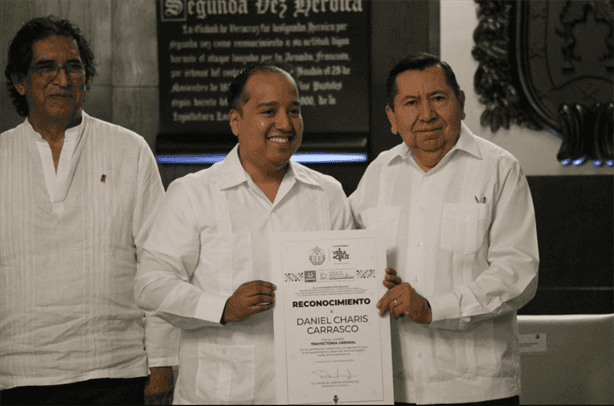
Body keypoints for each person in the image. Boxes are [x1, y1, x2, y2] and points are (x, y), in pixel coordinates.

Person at [133, 62, 354, 404]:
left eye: (293, 111)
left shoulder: (328, 194)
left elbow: (348, 289)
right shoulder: (193, 193)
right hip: (219, 394)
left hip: (312, 391)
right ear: (236, 121)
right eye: (269, 111)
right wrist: (222, 307)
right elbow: (150, 285)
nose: (284, 123)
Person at [0, 16, 178, 405]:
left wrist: (163, 361)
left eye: (74, 67)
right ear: (20, 81)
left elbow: (160, 263)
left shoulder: (128, 150)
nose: (63, 79)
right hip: (17, 372)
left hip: (118, 368)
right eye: (46, 67)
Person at [349, 53, 539, 405]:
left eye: (438, 98)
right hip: (392, 386)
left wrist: (434, 308)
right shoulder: (378, 174)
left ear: (461, 103)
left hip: (477, 389)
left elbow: (517, 274)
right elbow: (346, 256)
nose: (426, 114)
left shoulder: (500, 169)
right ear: (392, 117)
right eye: (410, 103)